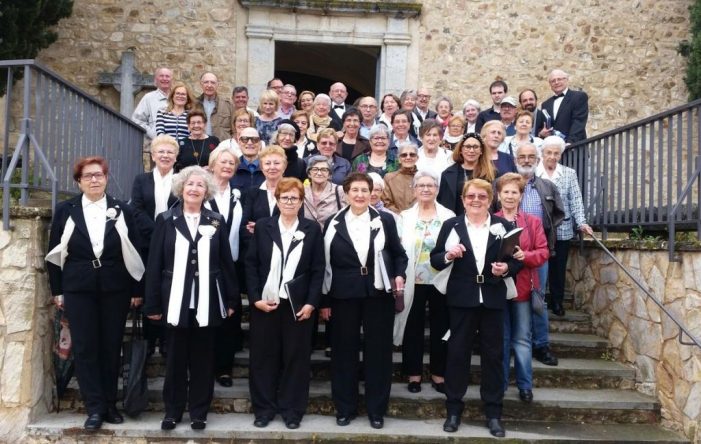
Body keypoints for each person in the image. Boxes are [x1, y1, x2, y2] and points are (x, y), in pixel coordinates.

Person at [47, 156, 145, 430]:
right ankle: (94, 408)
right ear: (78, 181)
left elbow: (134, 250)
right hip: (78, 288)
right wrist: (57, 290)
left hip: (115, 287)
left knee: (111, 347)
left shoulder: (121, 209)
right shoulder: (66, 210)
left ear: (106, 178)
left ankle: (111, 404)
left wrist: (137, 289)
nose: (94, 180)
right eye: (88, 176)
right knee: (87, 347)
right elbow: (54, 253)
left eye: (99, 175)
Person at [430, 178, 521, 437]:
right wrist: (449, 255)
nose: (476, 200)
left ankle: (493, 413)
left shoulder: (503, 226)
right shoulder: (452, 225)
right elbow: (436, 260)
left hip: (492, 298)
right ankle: (454, 410)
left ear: (490, 200)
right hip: (461, 299)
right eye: (471, 196)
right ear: (463, 200)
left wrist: (506, 269)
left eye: (482, 196)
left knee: (493, 356)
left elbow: (516, 261)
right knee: (457, 355)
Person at [319, 172, 408, 430]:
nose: (359, 195)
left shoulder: (386, 220)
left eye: (364, 190)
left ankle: (376, 409)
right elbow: (325, 264)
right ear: (346, 193)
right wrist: (324, 301)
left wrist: (399, 275)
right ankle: (344, 408)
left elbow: (399, 255)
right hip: (342, 295)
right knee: (343, 352)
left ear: (372, 193)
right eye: (354, 190)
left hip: (377, 294)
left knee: (378, 354)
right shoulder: (332, 223)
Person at [245, 177, 325, 430]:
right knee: (263, 358)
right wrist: (255, 298)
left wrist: (312, 303)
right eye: (284, 197)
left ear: (301, 202)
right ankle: (264, 409)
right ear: (277, 200)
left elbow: (317, 269)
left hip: (298, 306)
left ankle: (292, 410)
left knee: (296, 358)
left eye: (294, 198)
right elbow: (252, 265)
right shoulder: (263, 226)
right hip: (265, 304)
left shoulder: (312, 229)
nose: (289, 202)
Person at [393, 171, 454, 394]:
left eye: (430, 185)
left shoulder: (448, 215)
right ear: (414, 189)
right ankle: (414, 374)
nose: (426, 189)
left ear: (437, 189)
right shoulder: (405, 216)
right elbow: (398, 249)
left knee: (441, 327)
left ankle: (439, 374)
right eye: (421, 185)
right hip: (413, 280)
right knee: (413, 328)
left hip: (442, 279)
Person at [494, 173, 549, 404]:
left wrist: (524, 256)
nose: (509, 196)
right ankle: (501, 383)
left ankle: (525, 385)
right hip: (496, 288)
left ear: (521, 195)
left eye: (514, 192)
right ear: (498, 195)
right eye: (505, 192)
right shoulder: (490, 219)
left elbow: (544, 252)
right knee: (501, 339)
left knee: (522, 339)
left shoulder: (532, 222)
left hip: (523, 287)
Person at [514, 142, 565, 367]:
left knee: (538, 301)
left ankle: (541, 345)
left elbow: (558, 215)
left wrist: (544, 240)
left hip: (538, 252)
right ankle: (513, 344)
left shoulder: (547, 187)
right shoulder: (505, 185)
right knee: (511, 300)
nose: (526, 160)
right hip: (509, 252)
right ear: (516, 159)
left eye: (531, 157)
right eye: (522, 156)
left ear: (537, 161)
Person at [130, 135, 180, 356]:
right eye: (161, 151)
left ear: (176, 156)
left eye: (170, 152)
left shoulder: (181, 180)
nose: (165, 155)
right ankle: (150, 340)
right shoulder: (141, 180)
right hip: (147, 243)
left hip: (174, 243)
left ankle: (169, 340)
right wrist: (156, 231)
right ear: (153, 155)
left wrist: (166, 234)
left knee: (170, 289)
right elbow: (137, 210)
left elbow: (183, 209)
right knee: (150, 289)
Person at [536, 136, 593, 316]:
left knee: (558, 266)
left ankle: (557, 301)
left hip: (563, 226)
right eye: (549, 153)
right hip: (540, 227)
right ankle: (539, 300)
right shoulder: (534, 173)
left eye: (556, 153)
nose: (552, 156)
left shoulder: (569, 173)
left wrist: (581, 222)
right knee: (539, 265)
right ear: (542, 154)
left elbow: (575, 199)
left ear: (560, 155)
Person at [204, 146, 245, 388]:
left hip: (232, 265)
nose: (228, 166)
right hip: (205, 264)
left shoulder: (239, 195)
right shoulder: (201, 191)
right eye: (223, 162)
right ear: (212, 165)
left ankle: (224, 368)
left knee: (230, 315)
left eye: (232, 163)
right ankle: (205, 365)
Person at [437, 133, 496, 215]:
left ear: (481, 151)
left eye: (475, 147)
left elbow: (495, 203)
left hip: (483, 221)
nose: (471, 150)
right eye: (468, 147)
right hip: (455, 221)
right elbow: (442, 204)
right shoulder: (448, 174)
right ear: (461, 150)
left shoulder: (492, 174)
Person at [241, 145, 289, 241]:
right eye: (267, 163)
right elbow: (244, 228)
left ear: (284, 166)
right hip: (256, 250)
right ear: (262, 168)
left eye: (277, 163)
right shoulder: (252, 193)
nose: (272, 167)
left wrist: (260, 228)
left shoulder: (293, 191)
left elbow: (295, 225)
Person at [541, 69, 589, 144]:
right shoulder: (545, 104)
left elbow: (578, 122)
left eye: (559, 79)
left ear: (566, 80)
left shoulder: (578, 97)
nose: (556, 82)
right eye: (553, 81)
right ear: (550, 84)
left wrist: (570, 143)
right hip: (554, 149)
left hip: (575, 147)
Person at [303, 155, 347, 228]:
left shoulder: (340, 191)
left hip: (331, 237)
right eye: (315, 169)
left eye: (324, 170)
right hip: (307, 237)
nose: (319, 173)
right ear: (309, 173)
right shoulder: (301, 192)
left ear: (329, 174)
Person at [132, 67, 172, 140]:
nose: (164, 78)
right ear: (156, 80)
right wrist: (152, 133)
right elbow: (137, 120)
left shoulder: (178, 97)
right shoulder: (149, 98)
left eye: (167, 76)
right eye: (161, 76)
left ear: (171, 80)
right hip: (156, 144)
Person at [382, 143, 419, 213]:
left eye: (412, 155)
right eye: (404, 155)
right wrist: (401, 216)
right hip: (397, 219)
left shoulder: (424, 178)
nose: (408, 157)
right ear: (399, 159)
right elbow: (387, 203)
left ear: (417, 158)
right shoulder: (389, 178)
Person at [198, 72, 233, 142]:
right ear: (201, 84)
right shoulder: (194, 104)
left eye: (213, 83)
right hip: (199, 146)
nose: (209, 85)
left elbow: (234, 129)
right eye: (206, 82)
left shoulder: (227, 105)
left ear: (217, 85)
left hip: (221, 147)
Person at [231, 127, 265, 192]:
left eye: (254, 139)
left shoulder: (269, 168)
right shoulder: (231, 168)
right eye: (244, 139)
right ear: (239, 142)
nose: (249, 143)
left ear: (260, 144)